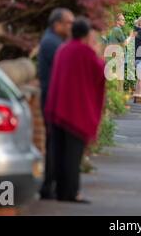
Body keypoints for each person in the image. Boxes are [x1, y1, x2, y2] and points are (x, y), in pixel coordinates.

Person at [44, 17, 105, 203]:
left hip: (59, 107)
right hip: (76, 111)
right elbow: (100, 73)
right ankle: (71, 192)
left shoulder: (63, 49)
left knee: (59, 152)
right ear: (86, 35)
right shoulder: (86, 52)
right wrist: (97, 53)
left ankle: (60, 190)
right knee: (73, 155)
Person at [37, 7, 74, 200]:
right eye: (68, 22)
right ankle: (48, 186)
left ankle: (50, 184)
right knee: (54, 145)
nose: (71, 26)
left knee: (55, 144)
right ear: (57, 24)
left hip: (54, 98)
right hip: (53, 100)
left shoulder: (55, 40)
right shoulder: (52, 43)